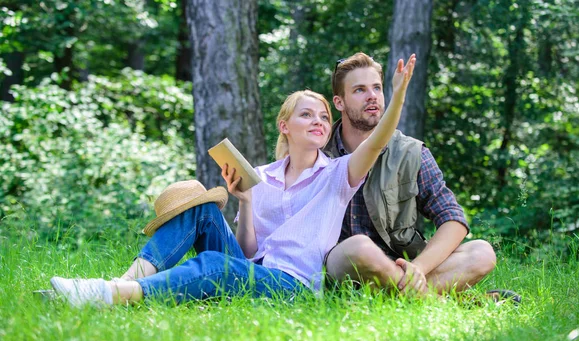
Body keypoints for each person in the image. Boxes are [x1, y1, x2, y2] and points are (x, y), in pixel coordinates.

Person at [49, 55, 418, 307]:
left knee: (215, 265)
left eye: (323, 115)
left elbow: (378, 140)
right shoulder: (261, 177)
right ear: (284, 126)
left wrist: (398, 93)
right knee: (203, 208)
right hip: (253, 270)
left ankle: (114, 296)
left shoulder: (340, 174)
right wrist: (245, 201)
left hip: (292, 286)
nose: (319, 121)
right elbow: (245, 254)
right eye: (307, 115)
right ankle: (122, 281)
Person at [322, 52, 498, 296]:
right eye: (360, 90)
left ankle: (396, 296)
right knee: (359, 248)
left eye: (377, 88)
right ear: (339, 102)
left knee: (482, 253)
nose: (372, 96)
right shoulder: (319, 152)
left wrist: (418, 268)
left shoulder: (410, 152)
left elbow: (453, 220)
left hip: (402, 264)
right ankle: (437, 300)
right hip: (346, 265)